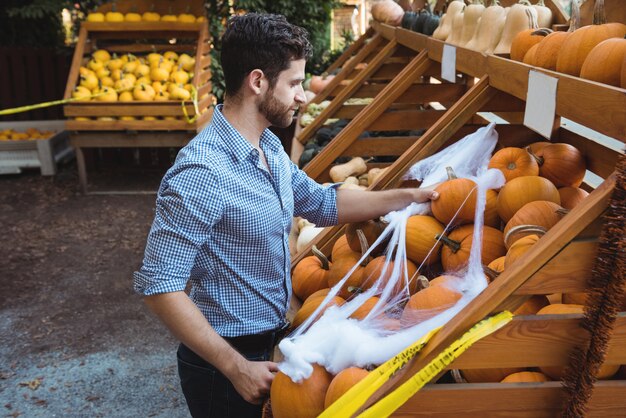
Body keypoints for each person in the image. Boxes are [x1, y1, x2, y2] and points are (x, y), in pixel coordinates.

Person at [133, 12, 438, 418]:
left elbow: (321, 203)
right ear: (258, 82)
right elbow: (159, 284)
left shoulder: (269, 148)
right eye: (294, 83)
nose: (303, 95)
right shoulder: (201, 172)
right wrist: (235, 367)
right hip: (224, 365)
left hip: (273, 342)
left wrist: (409, 197)